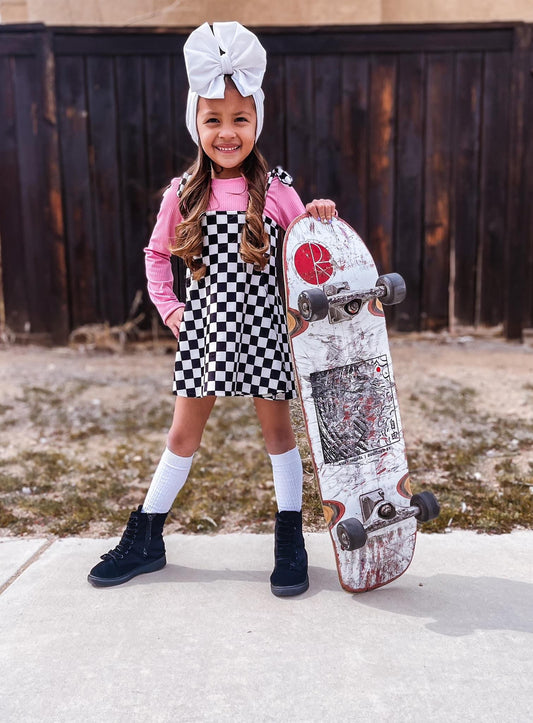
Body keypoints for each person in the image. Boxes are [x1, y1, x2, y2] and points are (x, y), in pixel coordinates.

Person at [87, 21, 336, 597]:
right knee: (181, 435)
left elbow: (308, 252)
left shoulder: (277, 188)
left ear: (257, 123)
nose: (227, 132)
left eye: (240, 119)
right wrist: (173, 311)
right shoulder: (182, 193)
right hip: (205, 330)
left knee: (278, 433)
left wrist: (319, 215)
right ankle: (147, 536)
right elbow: (155, 255)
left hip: (267, 326)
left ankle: (289, 537)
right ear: (196, 124)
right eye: (213, 120)